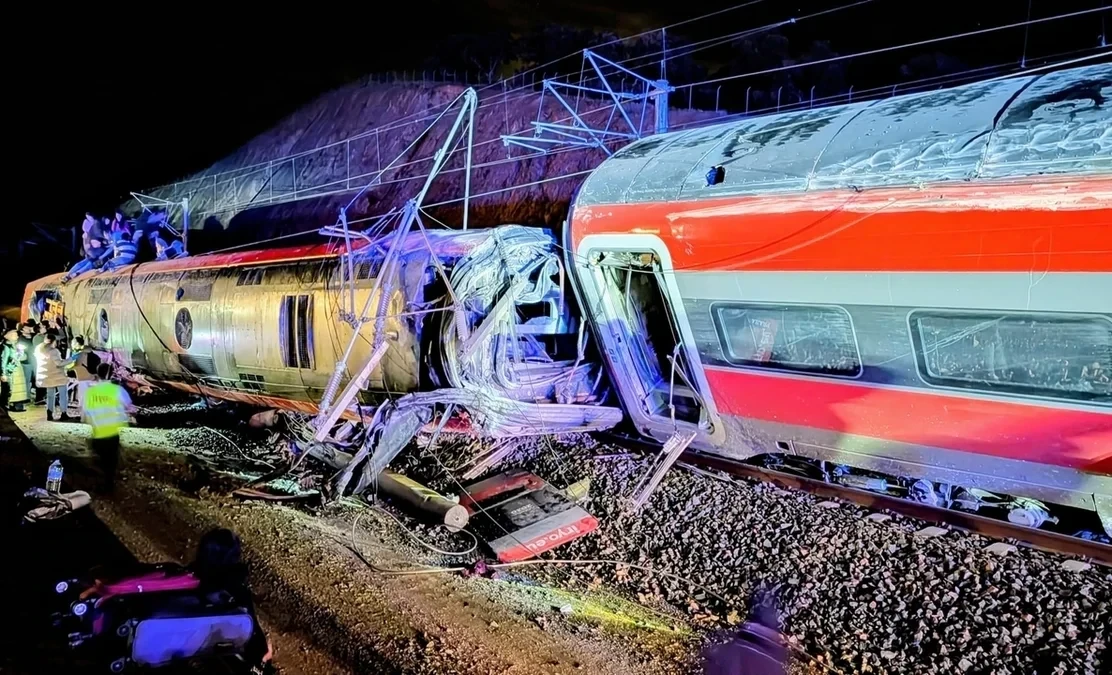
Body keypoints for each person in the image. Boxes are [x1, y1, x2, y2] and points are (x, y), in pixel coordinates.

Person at [190, 528, 274, 671]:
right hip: (218, 657)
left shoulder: (188, 579)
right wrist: (264, 654)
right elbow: (254, 636)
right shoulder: (235, 591)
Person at [82, 363, 133, 492]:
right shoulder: (117, 390)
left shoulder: (90, 392)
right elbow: (128, 405)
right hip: (112, 432)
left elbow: (85, 413)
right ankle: (108, 484)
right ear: (111, 375)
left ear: (97, 374)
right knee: (111, 461)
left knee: (100, 459)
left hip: (97, 432)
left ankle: (101, 482)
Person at [35, 331, 71, 421]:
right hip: (57, 376)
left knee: (50, 396)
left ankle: (49, 414)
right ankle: (63, 413)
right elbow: (59, 363)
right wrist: (71, 359)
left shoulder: (38, 349)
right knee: (63, 395)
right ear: (53, 341)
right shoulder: (53, 351)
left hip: (46, 376)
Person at [66, 336, 100, 409]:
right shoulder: (87, 351)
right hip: (92, 374)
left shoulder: (80, 354)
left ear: (77, 344)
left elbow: (74, 365)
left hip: (85, 376)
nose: (71, 345)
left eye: (72, 343)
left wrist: (65, 368)